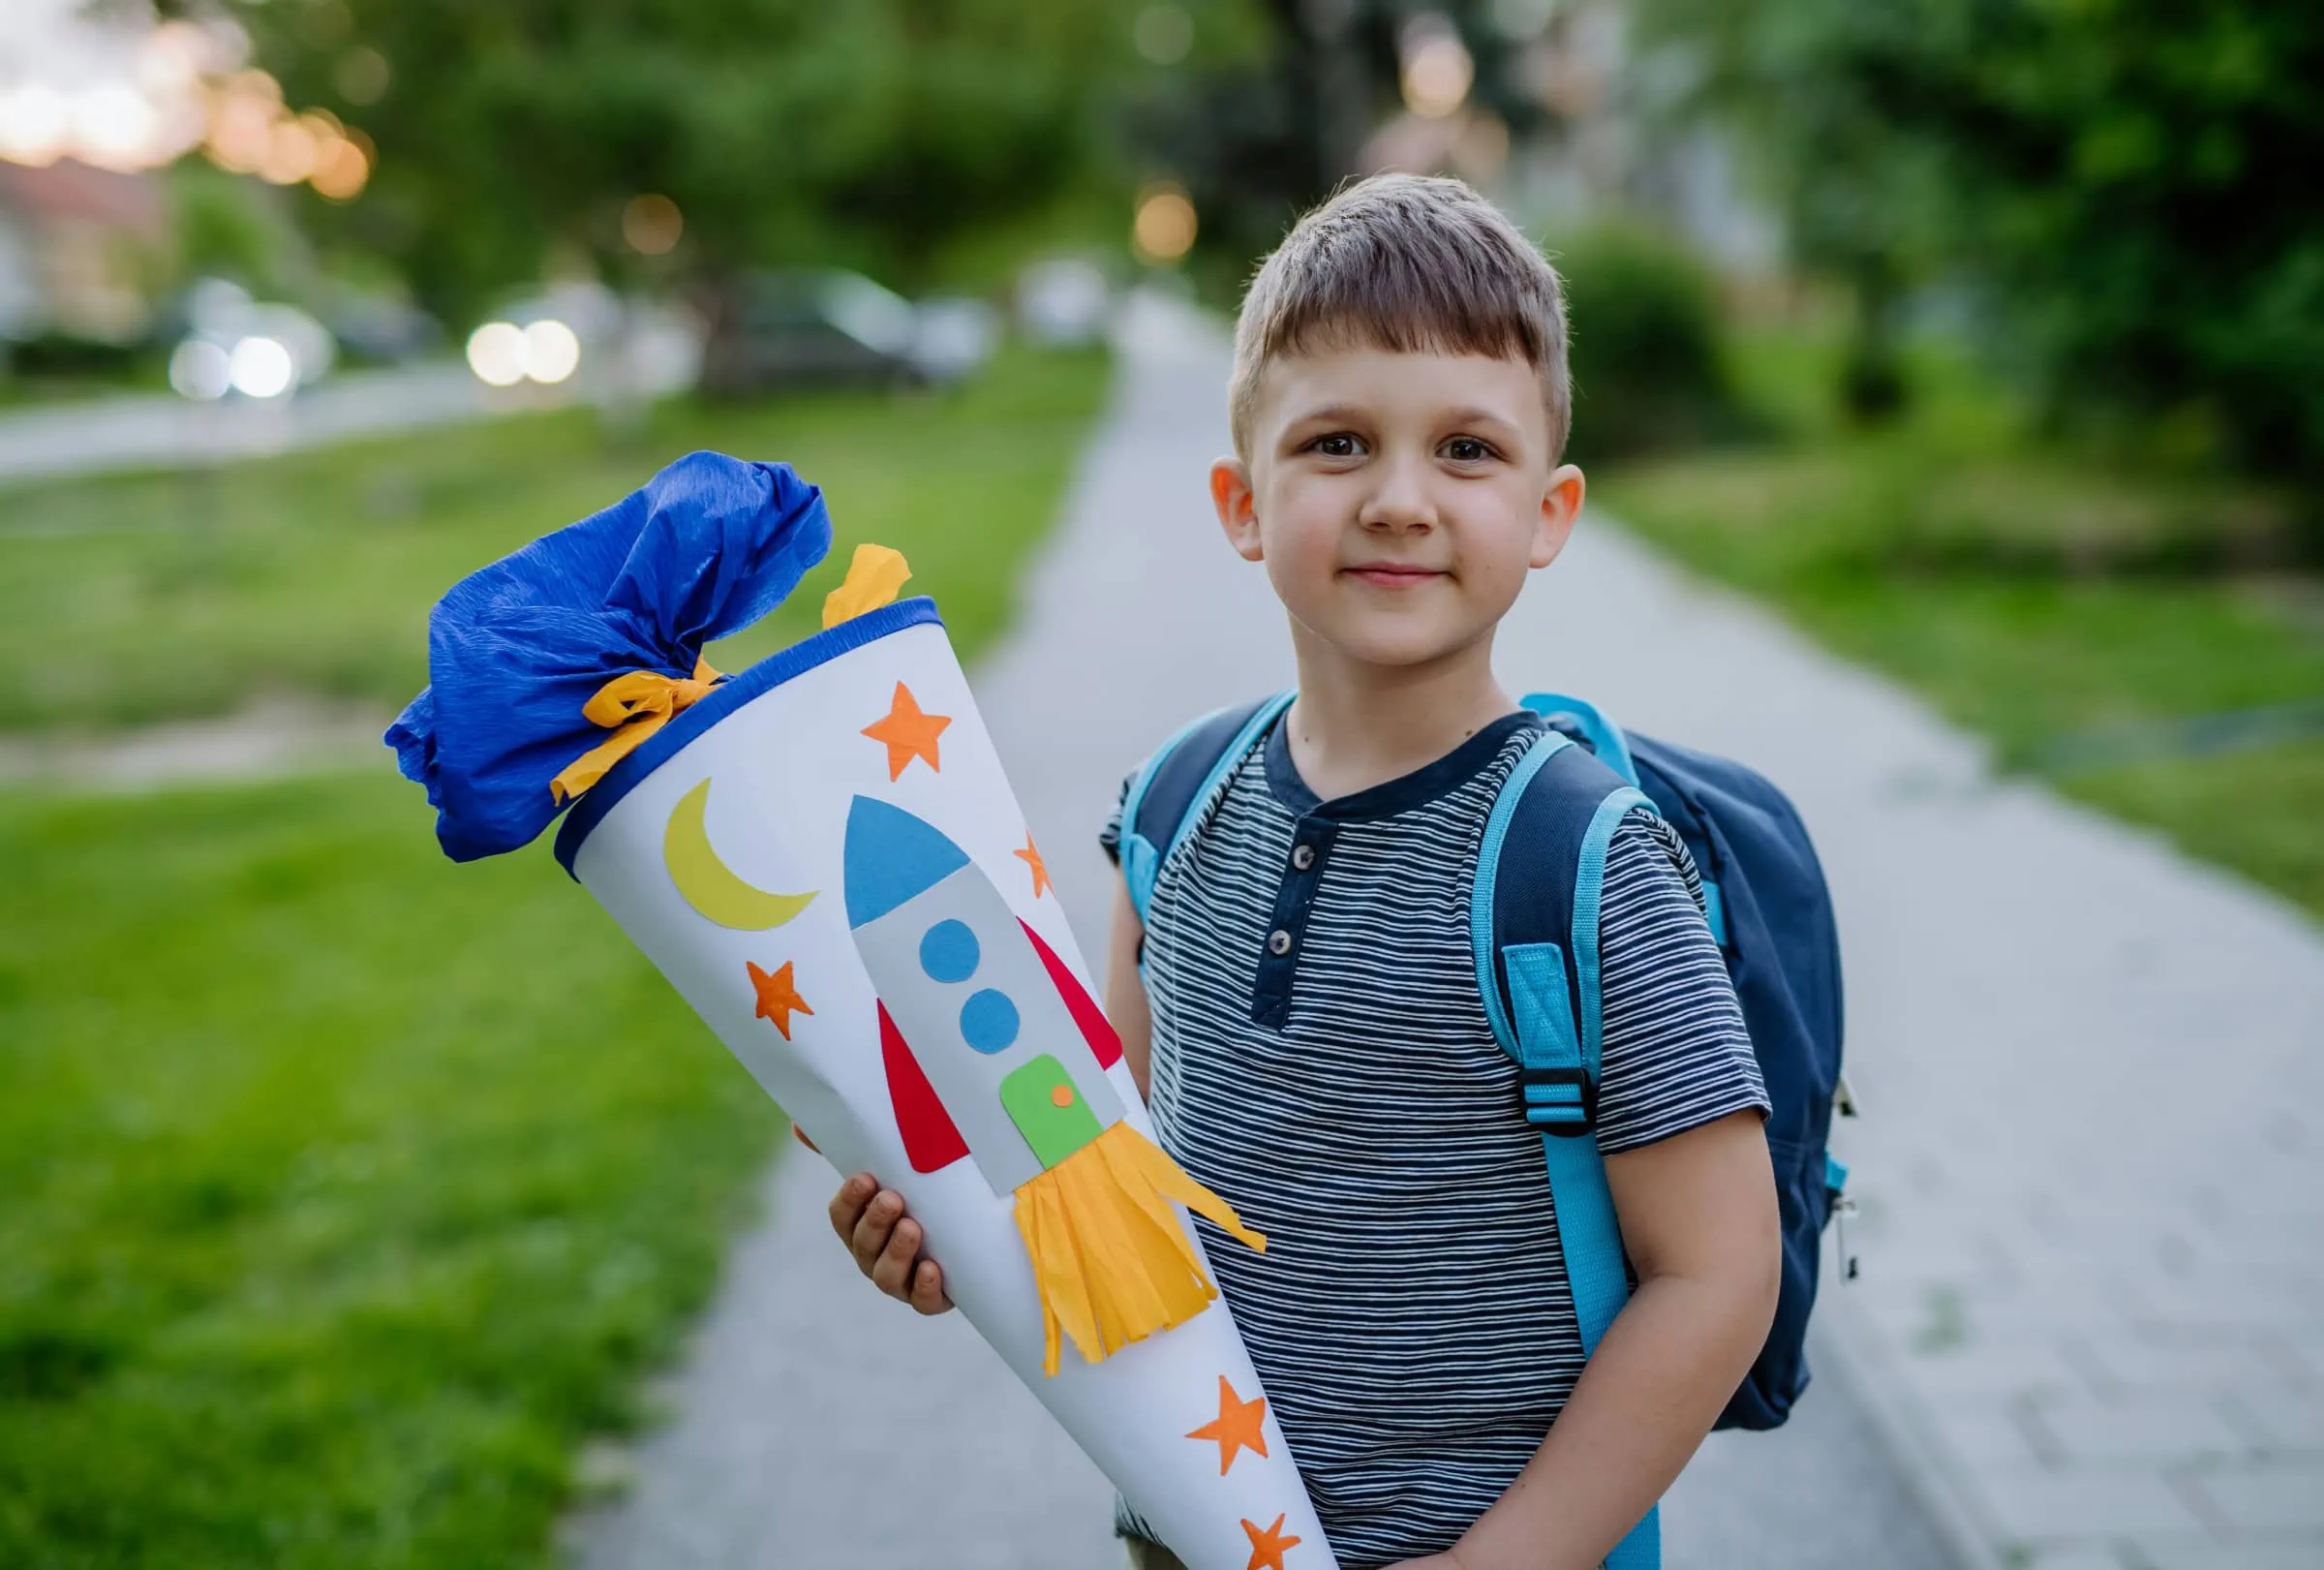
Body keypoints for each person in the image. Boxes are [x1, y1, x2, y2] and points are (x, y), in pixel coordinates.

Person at [827, 172, 1780, 1570]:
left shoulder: (1581, 864)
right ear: (1242, 501)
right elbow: (1107, 1169)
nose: (1401, 501)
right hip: (1198, 1534)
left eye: (1467, 451)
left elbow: (1718, 1271)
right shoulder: (1170, 811)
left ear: (1553, 511)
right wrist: (948, 1241)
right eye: (1338, 443)